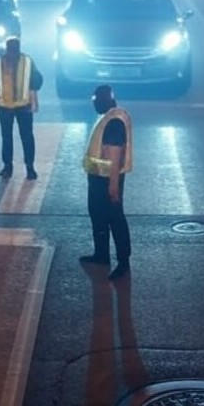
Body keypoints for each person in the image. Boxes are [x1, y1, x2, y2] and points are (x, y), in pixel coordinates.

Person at [81, 84, 132, 280]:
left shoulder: (114, 122)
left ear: (102, 101)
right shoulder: (109, 117)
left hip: (107, 180)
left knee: (115, 219)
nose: (94, 105)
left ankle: (123, 261)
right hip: (98, 178)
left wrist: (113, 186)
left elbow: (115, 154)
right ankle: (101, 254)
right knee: (98, 216)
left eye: (95, 101)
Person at [0, 36, 43, 180]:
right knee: (6, 137)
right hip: (4, 106)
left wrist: (34, 102)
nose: (13, 54)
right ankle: (7, 167)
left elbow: (34, 83)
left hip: (24, 105)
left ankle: (30, 167)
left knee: (27, 137)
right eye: (11, 50)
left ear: (18, 50)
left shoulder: (27, 62)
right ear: (7, 49)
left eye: (15, 50)